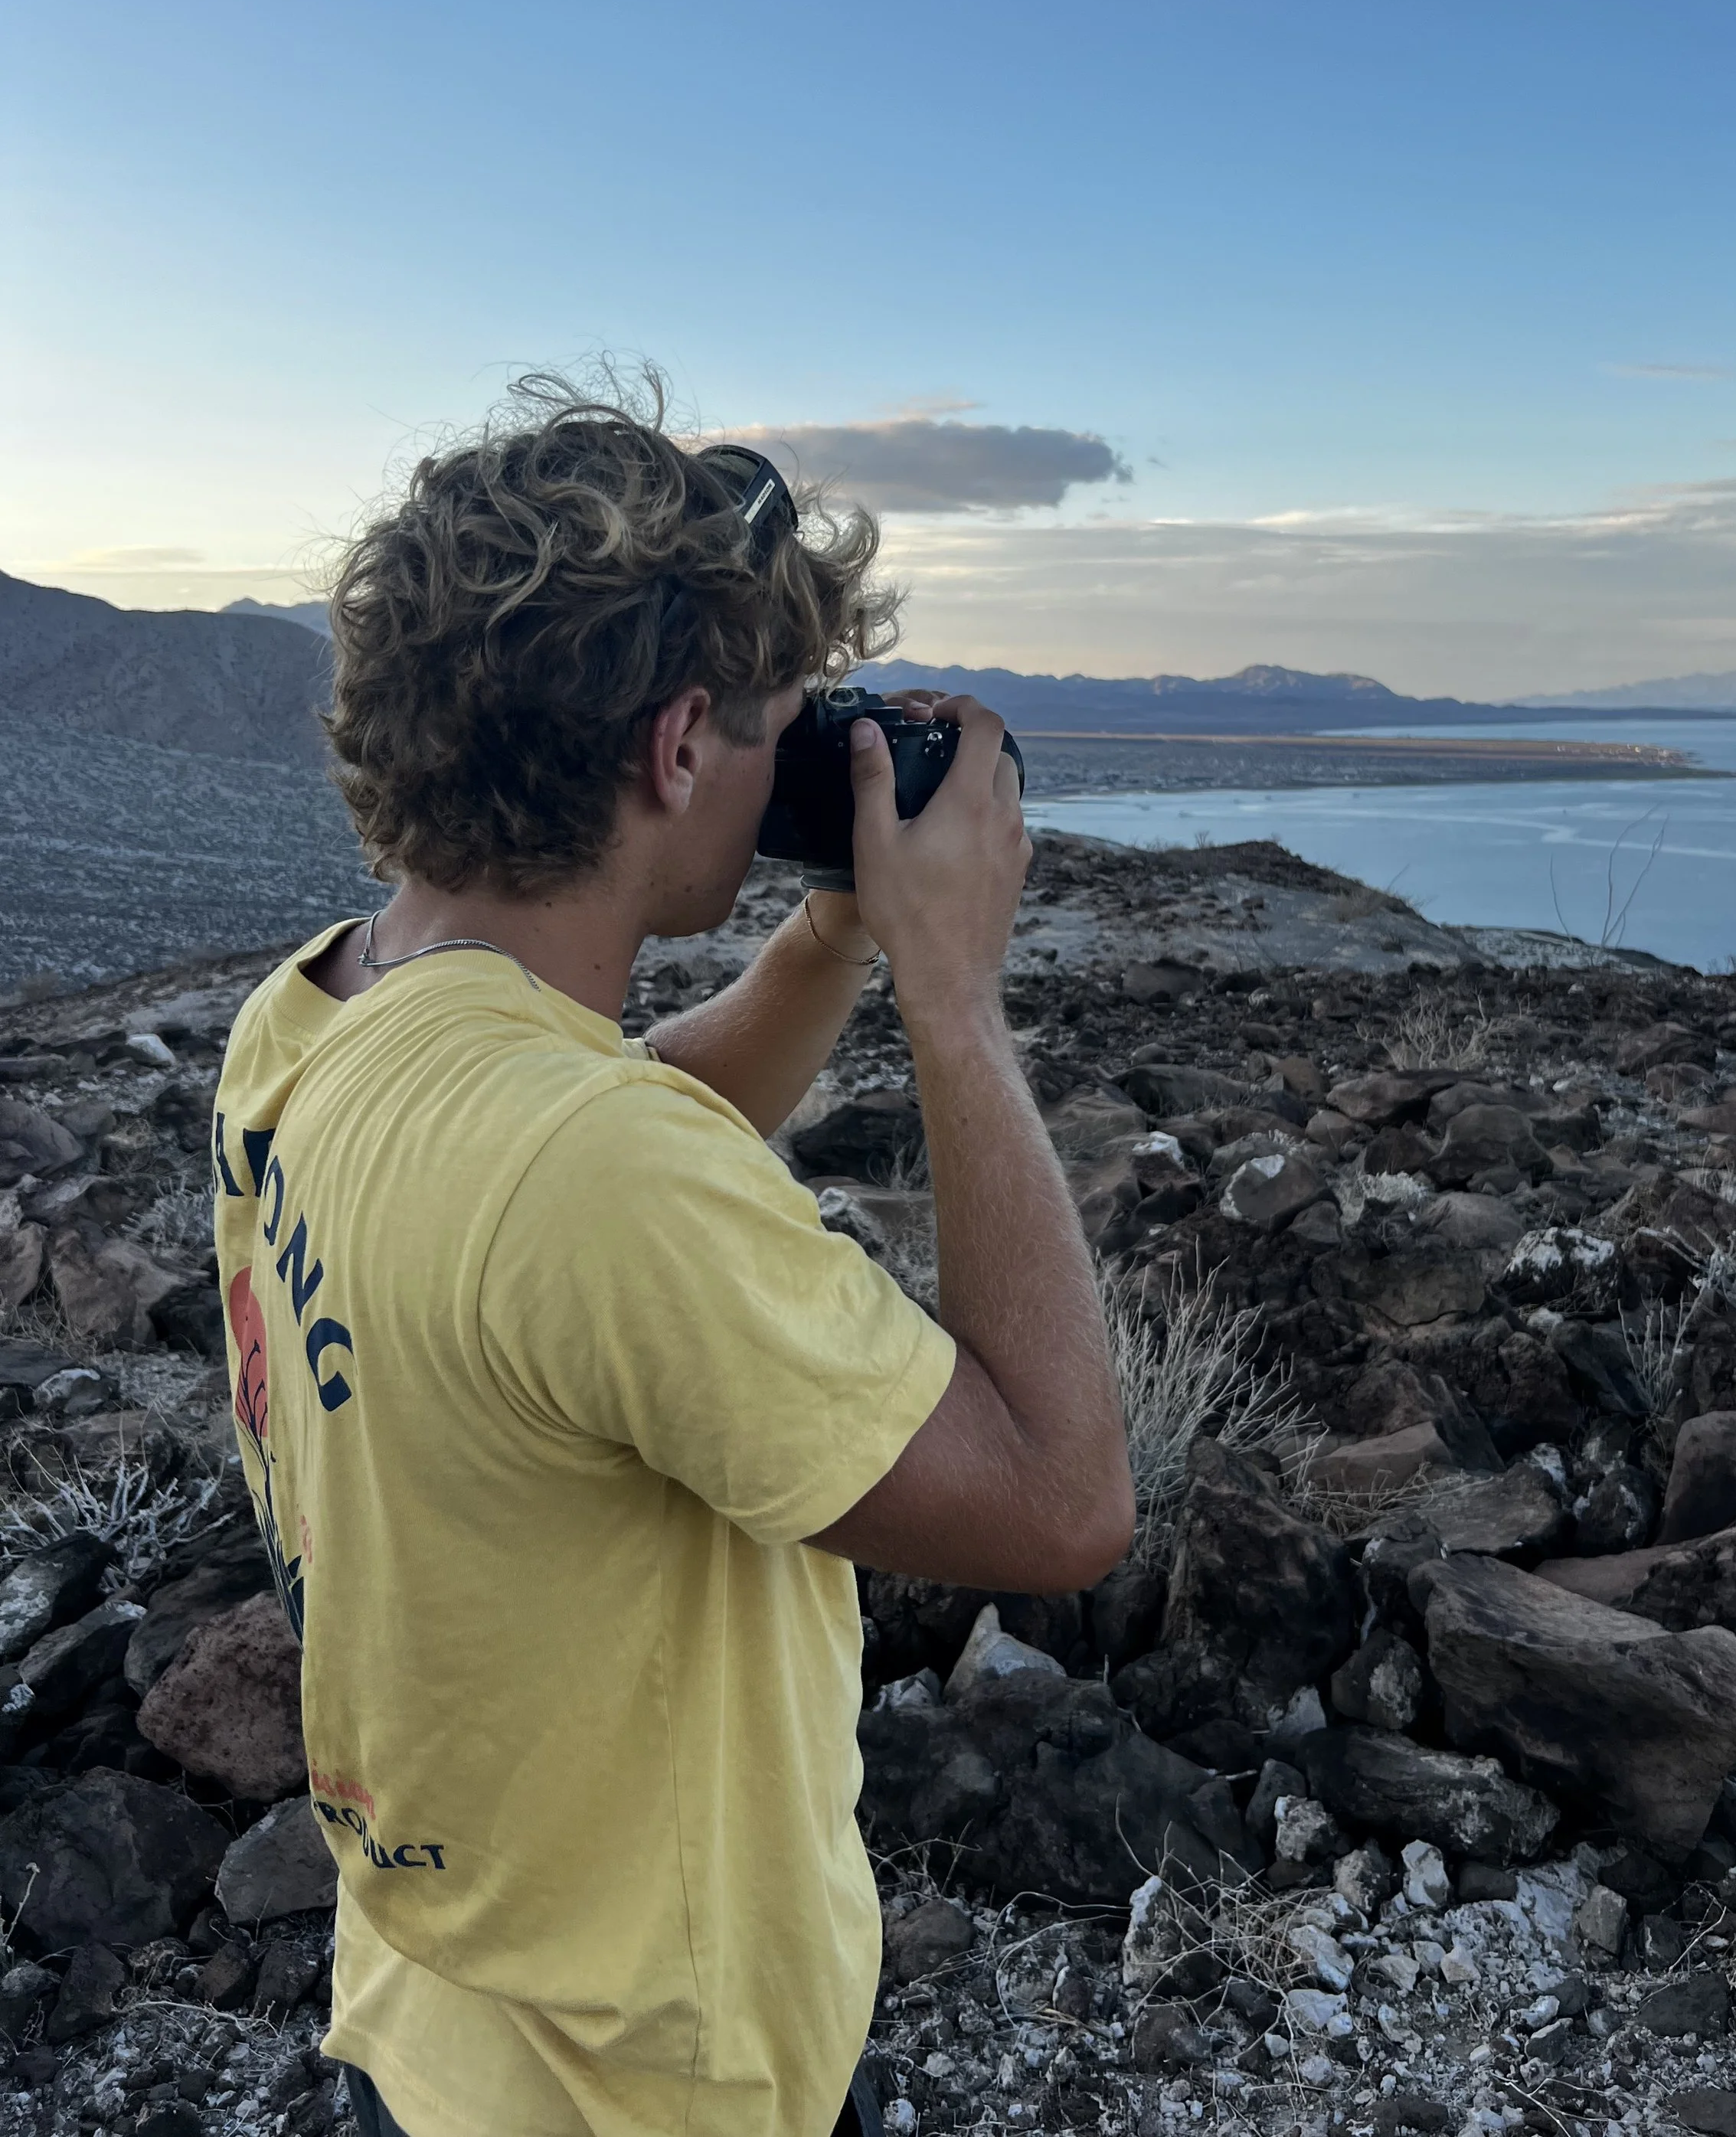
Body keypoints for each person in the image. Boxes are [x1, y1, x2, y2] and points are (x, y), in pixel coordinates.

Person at [211, 373, 1135, 2137]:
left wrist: (830, 938)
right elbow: (1063, 1499)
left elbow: (555, 1185)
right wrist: (953, 994)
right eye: (778, 724)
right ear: (674, 746)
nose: (797, 759)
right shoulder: (584, 1176)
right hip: (650, 2076)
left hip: (434, 2009)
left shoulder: (319, 1017)